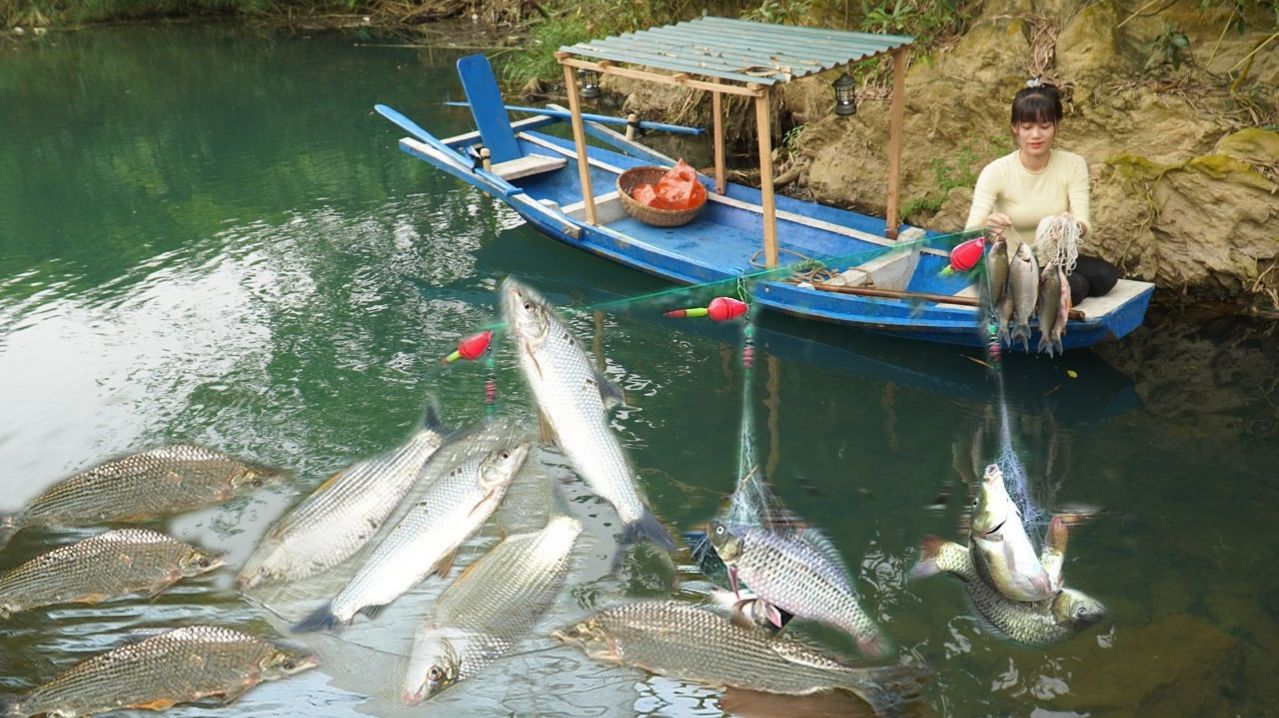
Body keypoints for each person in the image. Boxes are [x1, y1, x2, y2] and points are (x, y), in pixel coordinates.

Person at [965, 79, 1118, 304]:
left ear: (1057, 125)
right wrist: (988, 225)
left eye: (1044, 126)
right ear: (1015, 128)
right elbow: (969, 231)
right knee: (1077, 287)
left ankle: (1040, 289)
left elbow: (1085, 226)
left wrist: (1070, 227)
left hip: (1053, 259)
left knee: (1106, 276)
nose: (1035, 135)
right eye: (1027, 127)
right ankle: (1020, 293)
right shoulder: (996, 171)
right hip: (1015, 262)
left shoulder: (1073, 164)